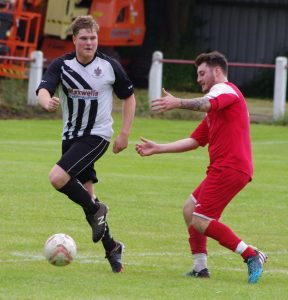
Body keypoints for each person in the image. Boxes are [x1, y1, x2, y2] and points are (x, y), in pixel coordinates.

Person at [136, 51, 267, 284]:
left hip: (230, 168)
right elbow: (195, 141)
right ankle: (200, 268)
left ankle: (251, 254)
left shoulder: (225, 91)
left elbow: (206, 104)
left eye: (202, 73)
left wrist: (178, 102)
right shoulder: (217, 108)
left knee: (201, 219)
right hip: (224, 168)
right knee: (190, 209)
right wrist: (159, 148)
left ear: (217, 71)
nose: (199, 79)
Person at [36, 15, 136, 273]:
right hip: (70, 138)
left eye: (93, 38)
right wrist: (46, 102)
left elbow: (129, 97)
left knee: (57, 178)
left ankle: (97, 209)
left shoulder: (109, 66)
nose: (89, 42)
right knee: (86, 198)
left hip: (97, 136)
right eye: (84, 38)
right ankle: (112, 247)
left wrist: (124, 133)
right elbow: (44, 88)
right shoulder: (63, 65)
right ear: (74, 40)